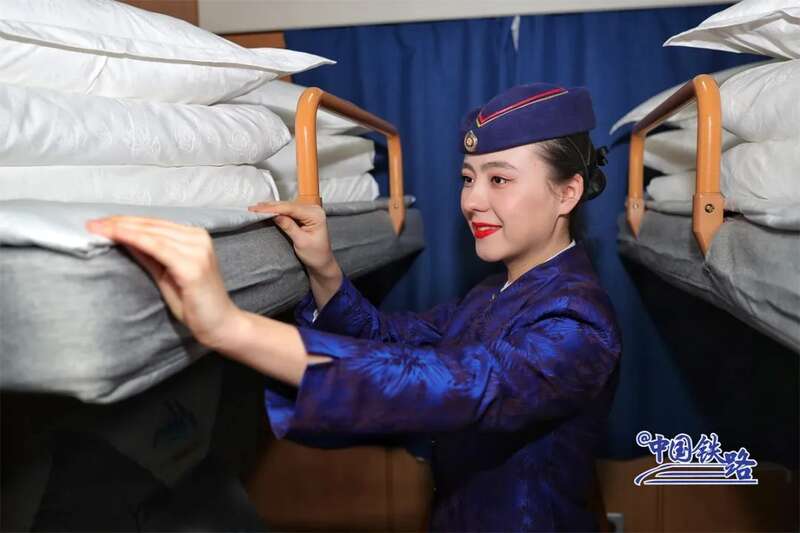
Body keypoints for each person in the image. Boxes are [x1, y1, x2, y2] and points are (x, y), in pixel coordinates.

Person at [86, 82, 622, 532]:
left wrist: (228, 326)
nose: (472, 201)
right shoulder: (494, 291)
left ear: (567, 193)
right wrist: (324, 268)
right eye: (468, 178)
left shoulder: (577, 321)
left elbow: (448, 384)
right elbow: (390, 341)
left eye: (499, 179)